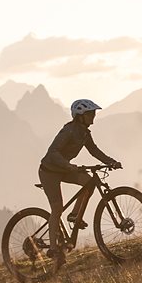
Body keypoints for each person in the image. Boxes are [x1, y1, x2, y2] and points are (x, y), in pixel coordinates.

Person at [39, 99, 122, 253]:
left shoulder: (84, 133)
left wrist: (111, 162)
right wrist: (68, 166)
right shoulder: (69, 131)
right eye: (91, 114)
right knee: (57, 208)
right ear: (80, 116)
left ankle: (74, 215)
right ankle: (52, 248)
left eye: (94, 113)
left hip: (64, 169)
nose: (93, 116)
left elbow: (94, 150)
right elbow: (53, 153)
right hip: (49, 171)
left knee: (88, 182)